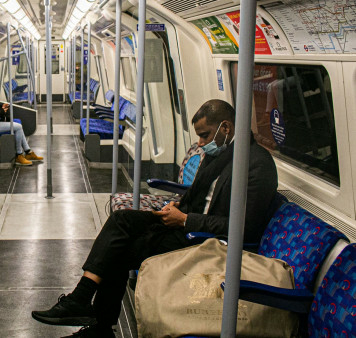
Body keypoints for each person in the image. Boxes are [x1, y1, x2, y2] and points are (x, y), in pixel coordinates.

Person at [31, 99, 279, 337]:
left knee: (119, 251)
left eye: (205, 135)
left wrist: (184, 219)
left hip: (206, 240)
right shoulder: (219, 155)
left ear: (226, 127)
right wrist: (177, 205)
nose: (201, 143)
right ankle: (82, 298)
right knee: (121, 219)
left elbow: (244, 228)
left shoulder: (257, 165)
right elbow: (197, 194)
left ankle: (96, 322)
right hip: (187, 221)